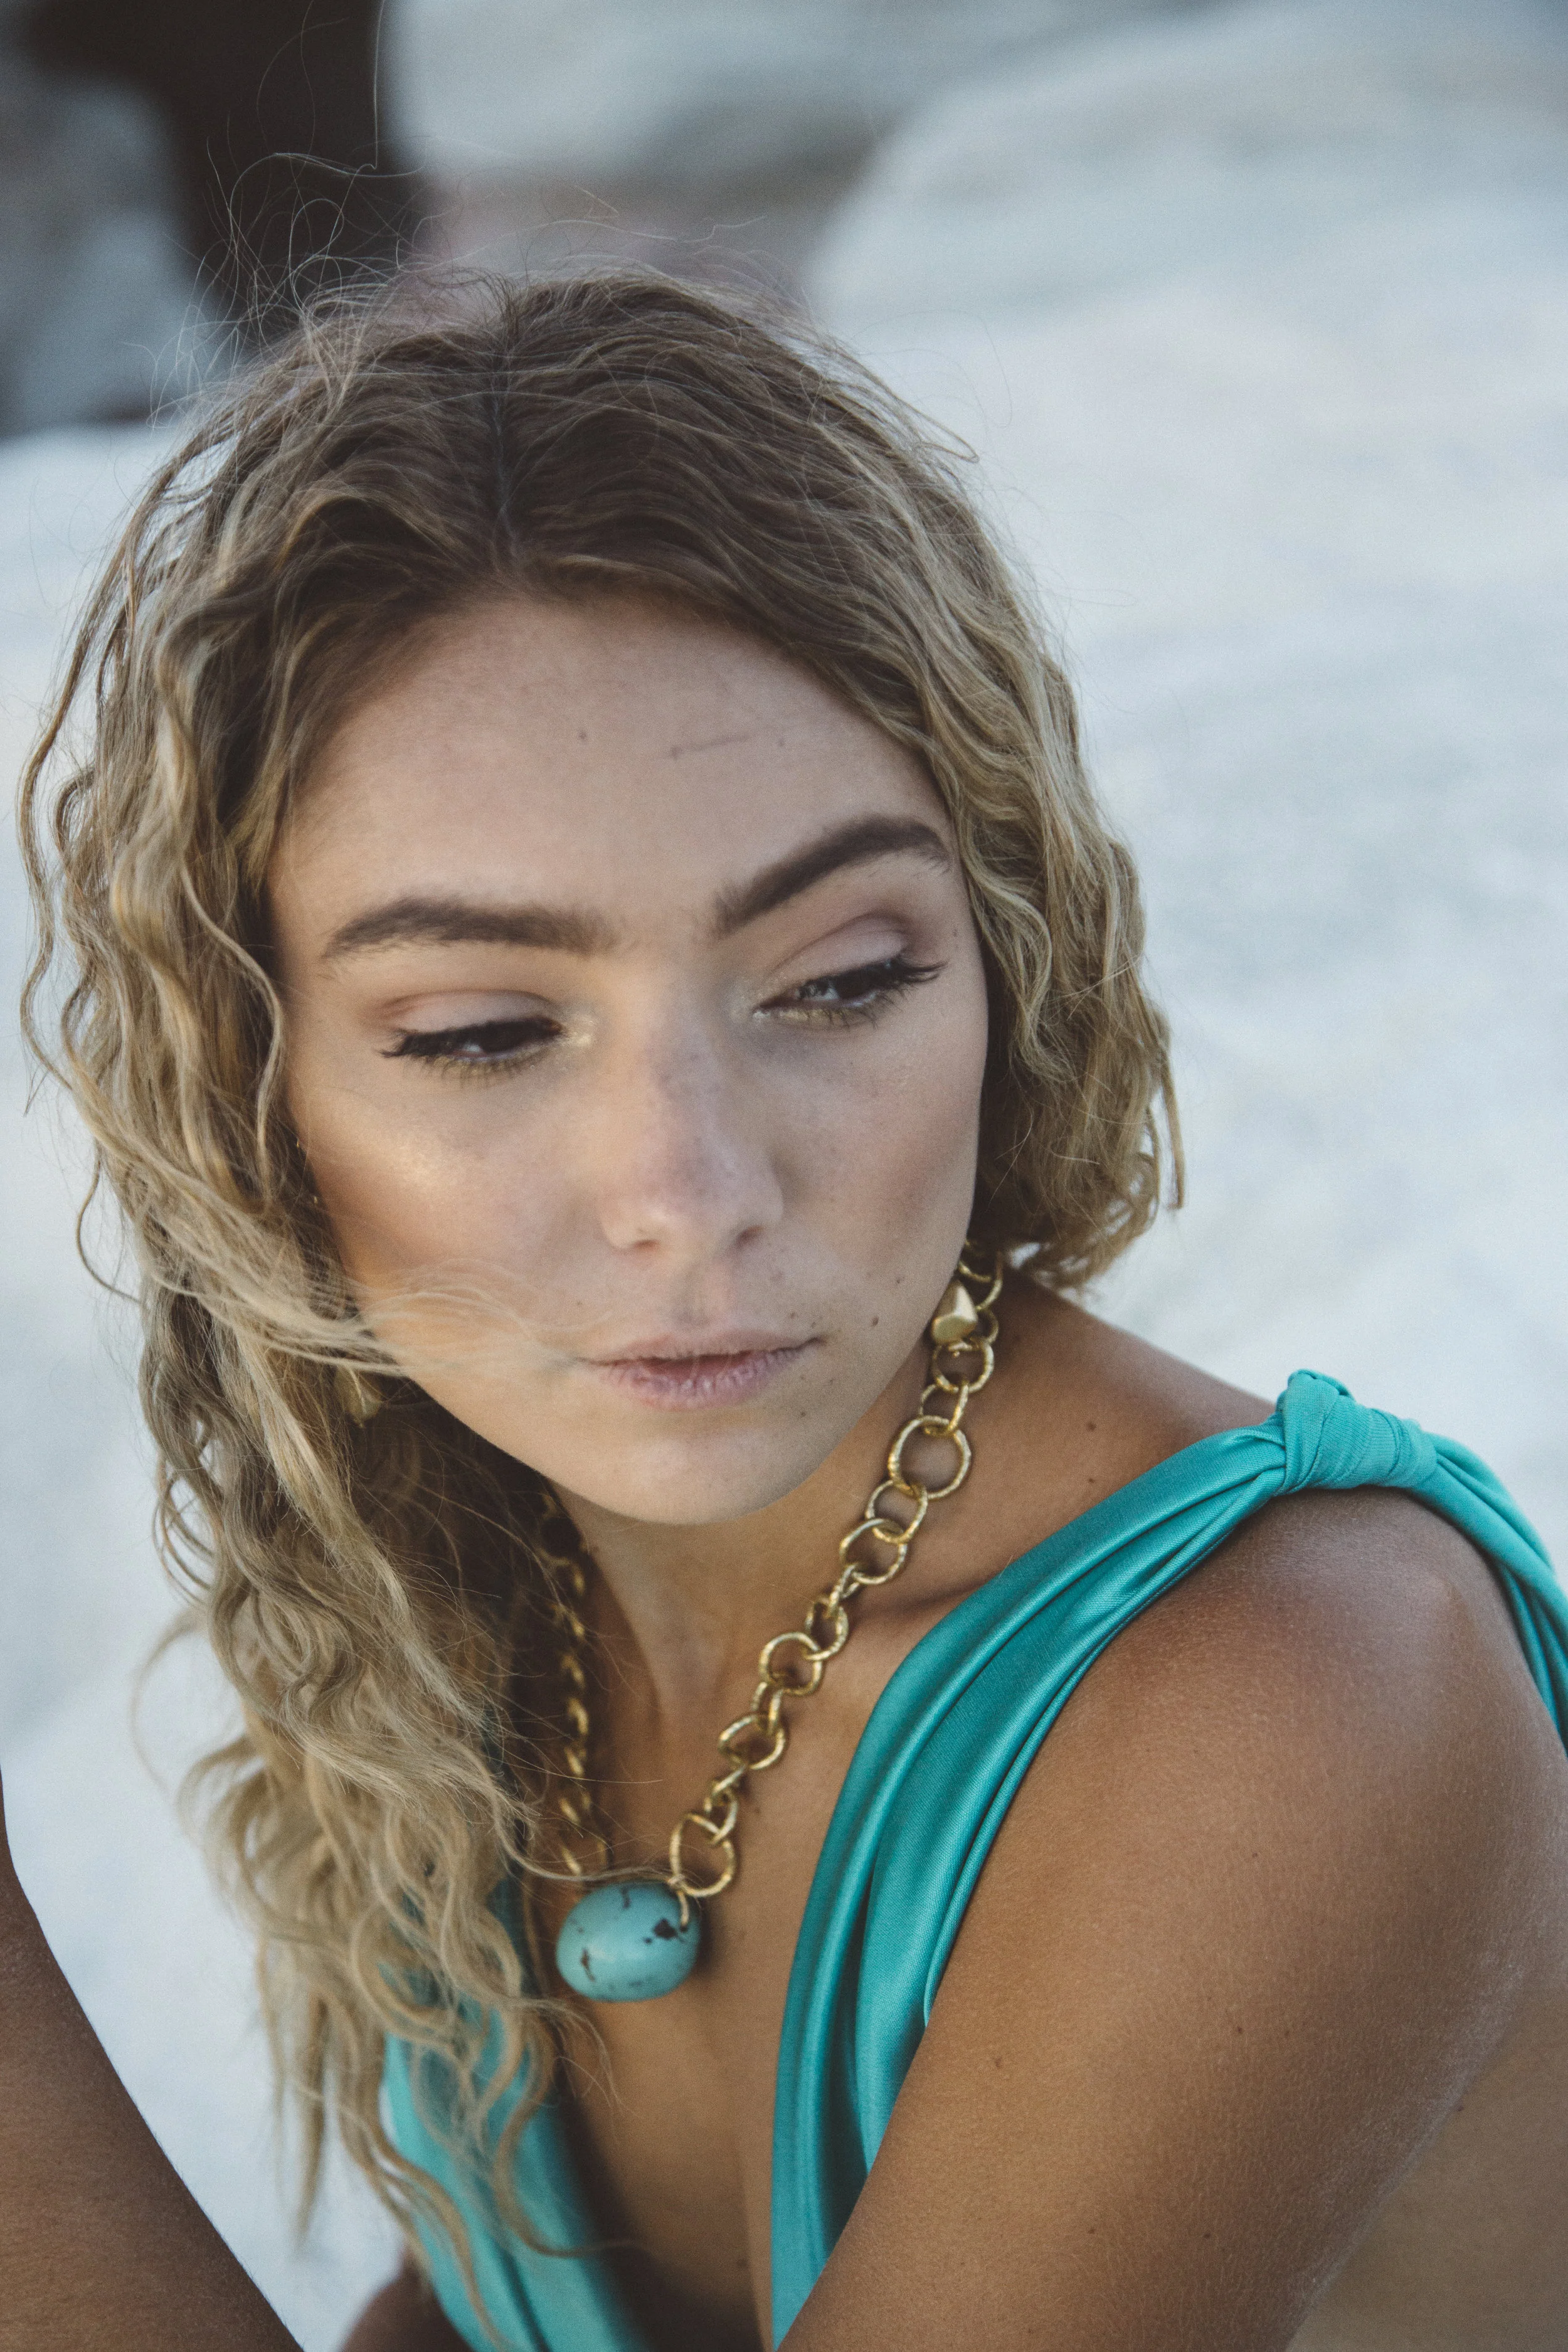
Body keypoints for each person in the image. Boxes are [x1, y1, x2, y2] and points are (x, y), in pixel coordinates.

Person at [8, 270, 1568, 2352]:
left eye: (840, 982)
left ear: (1005, 959)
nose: (691, 1194)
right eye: (482, 1029)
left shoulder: (1292, 1689)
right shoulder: (483, 1584)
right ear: (248, 1077)